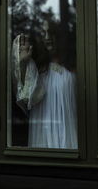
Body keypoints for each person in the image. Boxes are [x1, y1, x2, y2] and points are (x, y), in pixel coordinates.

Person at [12, 19, 78, 149]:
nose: (47, 38)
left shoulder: (73, 68)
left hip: (68, 137)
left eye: (51, 32)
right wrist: (23, 64)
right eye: (43, 33)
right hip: (43, 137)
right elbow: (25, 101)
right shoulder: (36, 69)